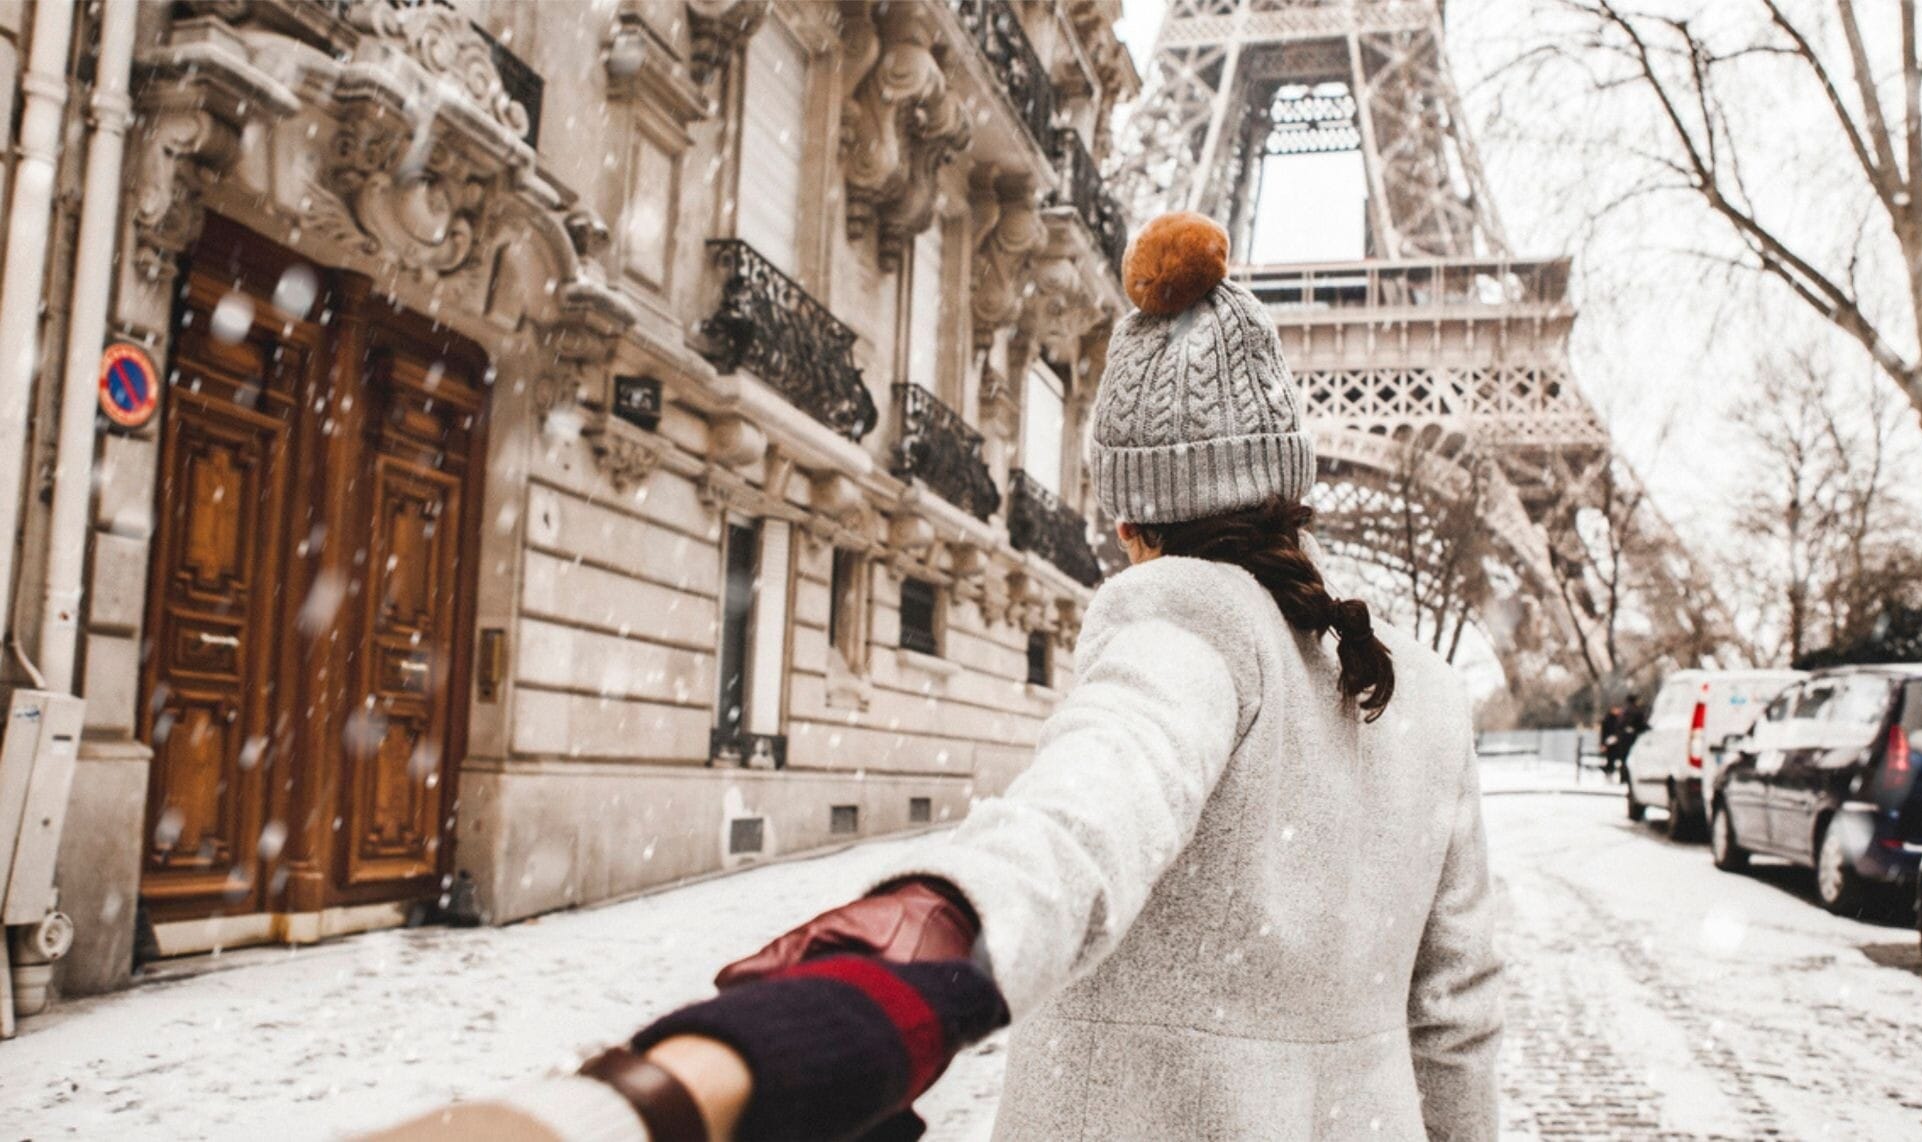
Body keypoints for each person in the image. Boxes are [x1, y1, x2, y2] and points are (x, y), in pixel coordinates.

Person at [379, 213, 1503, 1142]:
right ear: (1286, 486)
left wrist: (874, 969)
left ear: (1126, 519)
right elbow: (1453, 1019)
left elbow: (1079, 825)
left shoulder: (1188, 612)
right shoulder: (1427, 693)